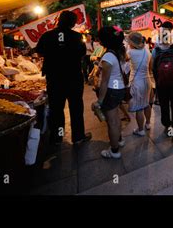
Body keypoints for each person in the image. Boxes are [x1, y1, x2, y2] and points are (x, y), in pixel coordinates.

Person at [36, 10, 91, 145]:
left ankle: (57, 137)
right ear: (72, 23)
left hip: (54, 79)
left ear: (59, 20)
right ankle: (78, 137)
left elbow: (40, 52)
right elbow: (82, 54)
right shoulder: (77, 37)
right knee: (76, 107)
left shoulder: (47, 36)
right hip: (73, 78)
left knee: (56, 109)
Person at [92, 26, 128, 159]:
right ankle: (119, 140)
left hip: (111, 91)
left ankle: (114, 151)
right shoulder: (120, 52)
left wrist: (99, 101)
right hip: (119, 89)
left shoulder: (108, 56)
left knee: (112, 122)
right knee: (116, 118)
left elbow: (104, 82)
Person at [151, 21, 173, 145]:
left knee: (164, 106)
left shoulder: (155, 50)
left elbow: (152, 67)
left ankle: (167, 127)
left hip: (161, 84)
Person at [126, 32, 153, 136]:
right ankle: (148, 124)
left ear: (132, 42)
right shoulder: (147, 51)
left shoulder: (130, 52)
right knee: (147, 103)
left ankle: (140, 130)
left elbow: (123, 61)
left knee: (139, 107)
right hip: (147, 81)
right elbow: (150, 67)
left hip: (137, 82)